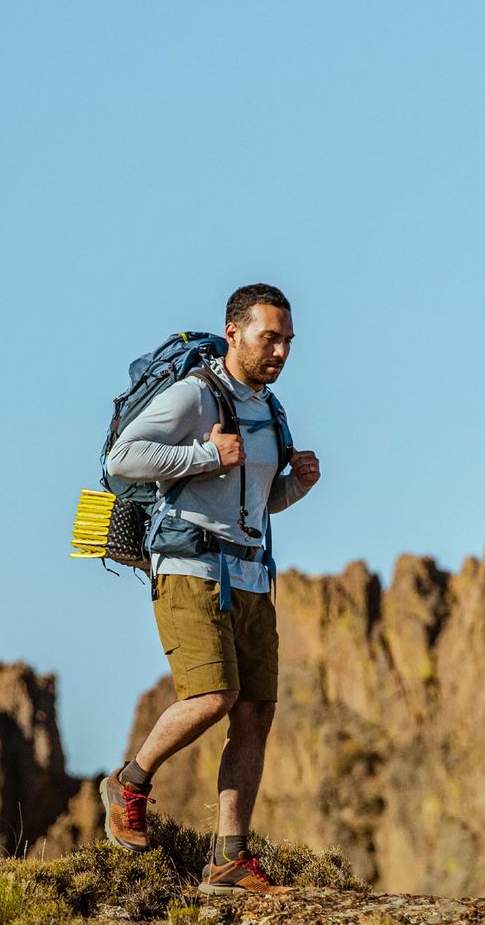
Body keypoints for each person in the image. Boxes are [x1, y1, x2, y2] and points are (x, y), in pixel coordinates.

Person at [100, 284, 321, 890]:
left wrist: (296, 485)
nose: (279, 351)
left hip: (251, 574)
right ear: (234, 332)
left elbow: (259, 502)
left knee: (255, 711)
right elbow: (123, 458)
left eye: (287, 341)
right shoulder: (195, 395)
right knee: (213, 696)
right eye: (268, 337)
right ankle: (129, 782)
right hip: (189, 568)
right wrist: (202, 454)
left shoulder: (272, 410)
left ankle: (229, 856)